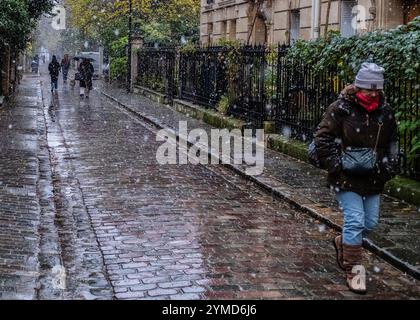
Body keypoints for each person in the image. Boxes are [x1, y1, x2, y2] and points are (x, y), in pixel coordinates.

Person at [314, 62, 399, 294]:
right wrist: (336, 165)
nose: (372, 93)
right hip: (346, 178)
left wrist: (390, 166)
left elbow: (393, 141)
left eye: (376, 89)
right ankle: (354, 271)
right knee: (355, 221)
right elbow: (322, 138)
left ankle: (344, 242)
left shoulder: (385, 111)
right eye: (368, 88)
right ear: (358, 86)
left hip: (373, 177)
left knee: (369, 223)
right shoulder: (341, 108)